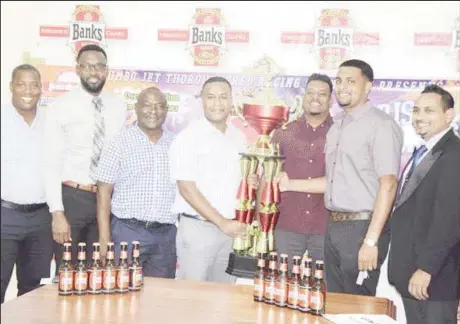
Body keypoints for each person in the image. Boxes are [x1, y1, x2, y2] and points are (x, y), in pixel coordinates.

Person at [277, 59, 404, 296]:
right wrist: (284, 183)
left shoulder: (381, 125)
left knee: (357, 304)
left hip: (362, 227)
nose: (343, 87)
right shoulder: (338, 126)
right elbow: (333, 181)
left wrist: (370, 242)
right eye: (339, 81)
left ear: (367, 87)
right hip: (333, 227)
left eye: (351, 81)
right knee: (334, 301)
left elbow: (389, 184)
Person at [44, 44, 127, 273]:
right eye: (88, 66)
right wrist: (57, 212)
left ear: (107, 70)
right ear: (77, 69)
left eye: (99, 66)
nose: (94, 72)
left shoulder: (118, 105)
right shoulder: (60, 107)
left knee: (99, 273)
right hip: (73, 199)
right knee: (68, 273)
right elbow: (51, 163)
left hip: (106, 200)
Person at [169, 76, 257, 283]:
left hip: (230, 232)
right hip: (199, 230)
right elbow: (186, 188)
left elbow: (240, 180)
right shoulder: (188, 138)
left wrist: (250, 180)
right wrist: (221, 222)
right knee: (193, 300)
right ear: (202, 101)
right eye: (211, 97)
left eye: (223, 97)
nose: (218, 103)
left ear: (231, 100)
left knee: (223, 300)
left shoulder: (239, 137)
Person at [388, 85, 460, 324]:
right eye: (417, 110)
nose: (420, 117)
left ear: (448, 115)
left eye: (429, 111)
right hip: (412, 273)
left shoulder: (454, 154)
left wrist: (426, 269)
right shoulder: (425, 150)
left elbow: (449, 220)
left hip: (434, 280)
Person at [95, 87, 177, 278]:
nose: (153, 111)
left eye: (159, 106)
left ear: (166, 110)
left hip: (165, 237)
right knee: (121, 295)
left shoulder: (177, 144)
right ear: (136, 108)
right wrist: (104, 237)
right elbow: (103, 191)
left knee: (160, 299)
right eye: (147, 105)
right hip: (127, 233)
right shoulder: (119, 141)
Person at [1, 64, 53, 303]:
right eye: (21, 84)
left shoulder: (51, 122)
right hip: (5, 216)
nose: (28, 90)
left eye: (34, 85)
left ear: (41, 89)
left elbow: (55, 168)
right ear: (11, 86)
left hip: (41, 219)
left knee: (34, 292)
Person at [270, 73, 333, 264]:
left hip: (326, 226)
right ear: (303, 97)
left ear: (331, 101)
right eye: (310, 93)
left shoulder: (341, 133)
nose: (315, 98)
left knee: (324, 290)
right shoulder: (283, 133)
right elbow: (269, 177)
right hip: (288, 224)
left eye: (322, 94)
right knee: (283, 286)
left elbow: (342, 181)